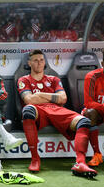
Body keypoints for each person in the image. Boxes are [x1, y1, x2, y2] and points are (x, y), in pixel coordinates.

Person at [18, 49, 97, 178]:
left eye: (41, 60)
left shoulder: (53, 79)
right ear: (29, 63)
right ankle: (35, 159)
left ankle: (80, 163)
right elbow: (29, 99)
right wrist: (51, 97)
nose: (39, 63)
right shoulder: (24, 80)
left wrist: (40, 94)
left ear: (45, 63)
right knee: (28, 110)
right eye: (35, 60)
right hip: (39, 110)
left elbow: (63, 99)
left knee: (84, 121)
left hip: (56, 110)